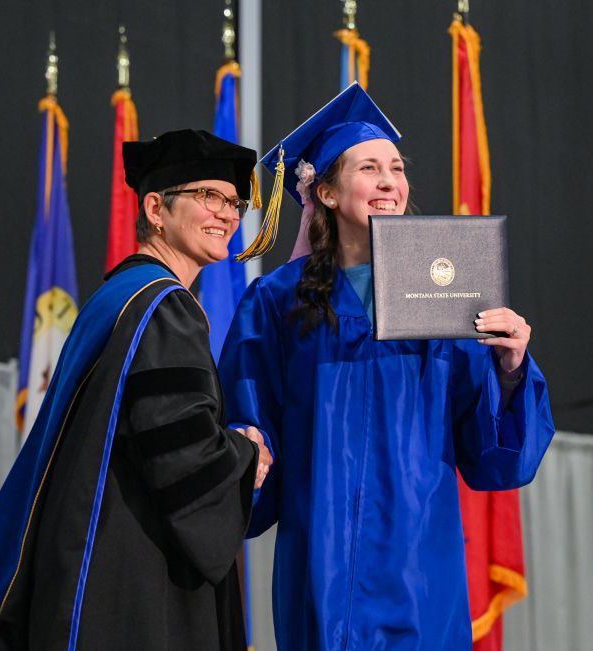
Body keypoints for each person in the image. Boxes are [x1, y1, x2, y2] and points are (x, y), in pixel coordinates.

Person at [219, 84, 555, 650]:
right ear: (324, 190)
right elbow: (248, 436)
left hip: (420, 566)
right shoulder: (276, 304)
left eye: (396, 169)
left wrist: (512, 366)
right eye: (368, 168)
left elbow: (493, 456)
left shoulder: (444, 295)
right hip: (320, 563)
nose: (388, 182)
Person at [0, 129, 272, 651]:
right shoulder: (165, 306)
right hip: (127, 576)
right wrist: (244, 453)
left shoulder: (118, 293)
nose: (228, 215)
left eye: (233, 202)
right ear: (156, 208)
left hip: (80, 556)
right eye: (208, 196)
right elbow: (182, 456)